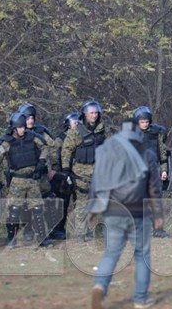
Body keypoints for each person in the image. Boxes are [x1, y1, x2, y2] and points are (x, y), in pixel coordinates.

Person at [88, 118, 163, 309]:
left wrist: (93, 208)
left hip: (113, 209)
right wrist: (158, 214)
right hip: (139, 211)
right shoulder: (147, 154)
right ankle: (140, 298)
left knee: (111, 253)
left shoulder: (109, 153)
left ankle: (100, 287)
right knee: (142, 256)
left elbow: (97, 181)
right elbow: (154, 188)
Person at [0, 111, 54, 247]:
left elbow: (45, 147)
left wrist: (42, 161)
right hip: (17, 180)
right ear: (14, 128)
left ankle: (42, 238)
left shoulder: (32, 137)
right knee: (14, 209)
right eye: (20, 127)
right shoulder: (7, 143)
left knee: (37, 208)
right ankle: (11, 238)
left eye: (23, 127)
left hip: (32, 179)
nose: (23, 130)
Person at [61, 100, 107, 241]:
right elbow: (66, 150)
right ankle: (80, 233)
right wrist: (66, 170)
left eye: (95, 113)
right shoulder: (76, 131)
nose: (94, 115)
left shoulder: (101, 130)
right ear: (85, 115)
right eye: (91, 113)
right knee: (82, 203)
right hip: (80, 173)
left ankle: (91, 230)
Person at [17, 103, 59, 242]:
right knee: (25, 204)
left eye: (32, 118)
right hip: (23, 176)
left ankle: (50, 231)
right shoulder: (15, 132)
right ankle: (28, 230)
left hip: (40, 174)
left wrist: (54, 168)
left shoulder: (41, 132)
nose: (30, 121)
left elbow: (53, 148)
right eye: (27, 118)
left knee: (49, 201)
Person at [133, 106, 171, 238]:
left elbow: (163, 154)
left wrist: (164, 170)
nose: (144, 124)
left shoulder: (156, 134)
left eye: (146, 122)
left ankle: (159, 230)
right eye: (142, 122)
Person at [50, 112, 79, 240]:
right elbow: (54, 158)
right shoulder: (60, 139)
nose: (77, 125)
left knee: (81, 201)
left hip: (79, 173)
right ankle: (59, 229)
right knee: (63, 203)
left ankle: (81, 229)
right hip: (63, 174)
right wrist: (59, 175)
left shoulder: (82, 136)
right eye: (75, 123)